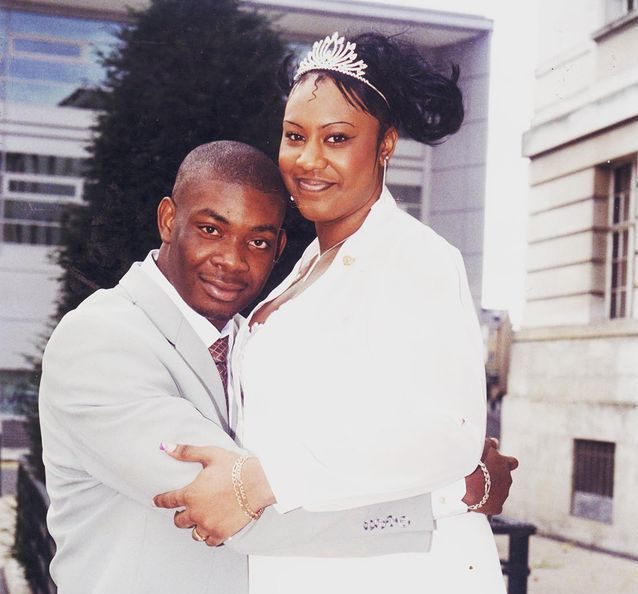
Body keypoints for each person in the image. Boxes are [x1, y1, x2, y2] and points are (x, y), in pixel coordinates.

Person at [39, 140, 511, 594]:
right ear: (168, 219)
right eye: (211, 230)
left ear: (280, 247)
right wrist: (448, 495)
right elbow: (235, 508)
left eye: (258, 242)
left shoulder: (250, 345)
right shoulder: (101, 341)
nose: (232, 260)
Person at [154, 33, 518, 593]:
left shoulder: (413, 257)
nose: (308, 160)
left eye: (337, 138)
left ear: (385, 144)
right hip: (304, 563)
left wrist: (260, 482)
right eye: (295, 136)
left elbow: (448, 436)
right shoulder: (307, 265)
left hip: (395, 573)